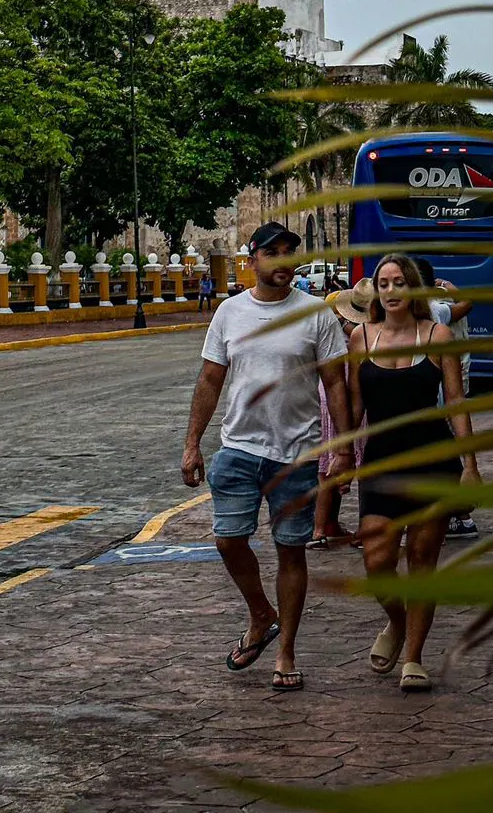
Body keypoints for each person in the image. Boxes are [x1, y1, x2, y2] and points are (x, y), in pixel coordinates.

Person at [181, 220, 351, 692]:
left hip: (296, 454)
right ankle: (261, 613)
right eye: (272, 253)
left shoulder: (317, 314)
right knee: (228, 540)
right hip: (238, 448)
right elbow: (211, 379)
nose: (283, 262)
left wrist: (343, 449)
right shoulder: (229, 313)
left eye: (289, 253)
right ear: (252, 259)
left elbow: (336, 382)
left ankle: (286, 649)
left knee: (290, 552)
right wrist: (193, 442)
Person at [350, 252, 479, 692]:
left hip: (433, 462)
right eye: (383, 284)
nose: (390, 291)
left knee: (423, 561)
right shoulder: (360, 338)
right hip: (381, 463)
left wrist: (470, 464)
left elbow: (457, 401)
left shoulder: (437, 334)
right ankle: (397, 621)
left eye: (398, 283)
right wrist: (339, 457)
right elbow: (352, 409)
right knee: (378, 562)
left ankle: (414, 658)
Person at [308, 279, 373, 548]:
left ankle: (326, 525)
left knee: (330, 462)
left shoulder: (335, 325)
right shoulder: (366, 335)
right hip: (347, 399)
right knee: (348, 462)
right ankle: (333, 528)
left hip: (328, 397)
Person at [415, 257, 477, 540]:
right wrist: (450, 286)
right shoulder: (440, 306)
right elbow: (467, 304)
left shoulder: (431, 310)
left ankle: (458, 514)